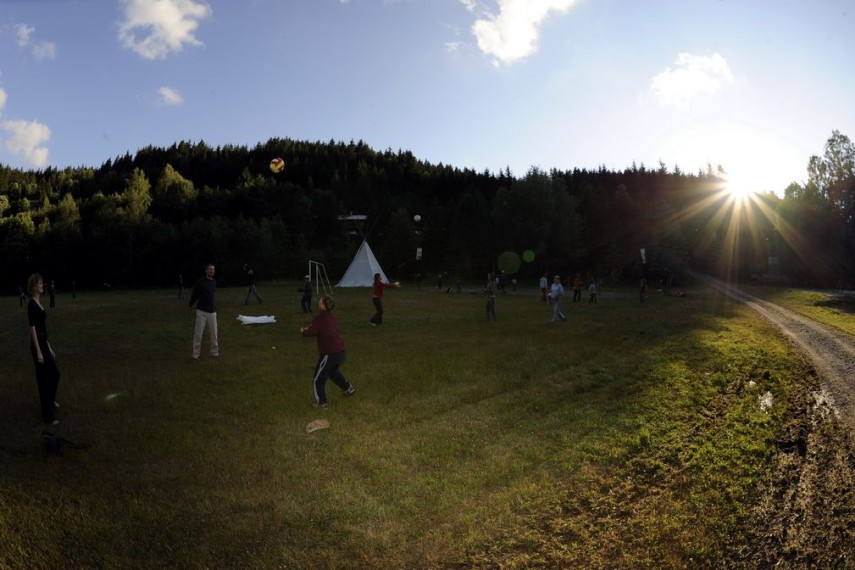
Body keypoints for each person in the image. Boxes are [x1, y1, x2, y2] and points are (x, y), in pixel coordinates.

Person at [301, 296, 356, 409]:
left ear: (323, 306)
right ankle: (348, 388)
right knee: (332, 372)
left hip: (330, 353)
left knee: (318, 379)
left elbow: (312, 331)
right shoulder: (332, 316)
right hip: (340, 351)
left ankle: (321, 403)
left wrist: (303, 331)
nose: (318, 302)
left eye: (320, 301)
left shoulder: (320, 318)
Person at [27, 274, 61, 425]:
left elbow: (42, 329)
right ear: (34, 286)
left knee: (55, 374)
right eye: (40, 283)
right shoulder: (31, 304)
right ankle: (48, 417)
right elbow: (33, 329)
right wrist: (39, 351)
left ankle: (50, 401)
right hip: (37, 346)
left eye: (42, 283)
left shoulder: (39, 303)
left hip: (44, 344)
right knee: (43, 380)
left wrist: (49, 346)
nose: (42, 285)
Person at [189, 263, 219, 359]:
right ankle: (195, 354)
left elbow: (211, 295)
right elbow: (195, 293)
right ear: (206, 270)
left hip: (212, 311)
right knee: (198, 334)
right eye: (210, 269)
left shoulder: (214, 282)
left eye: (213, 269)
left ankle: (214, 352)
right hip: (201, 311)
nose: (212, 271)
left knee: (214, 334)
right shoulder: (200, 282)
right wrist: (191, 303)